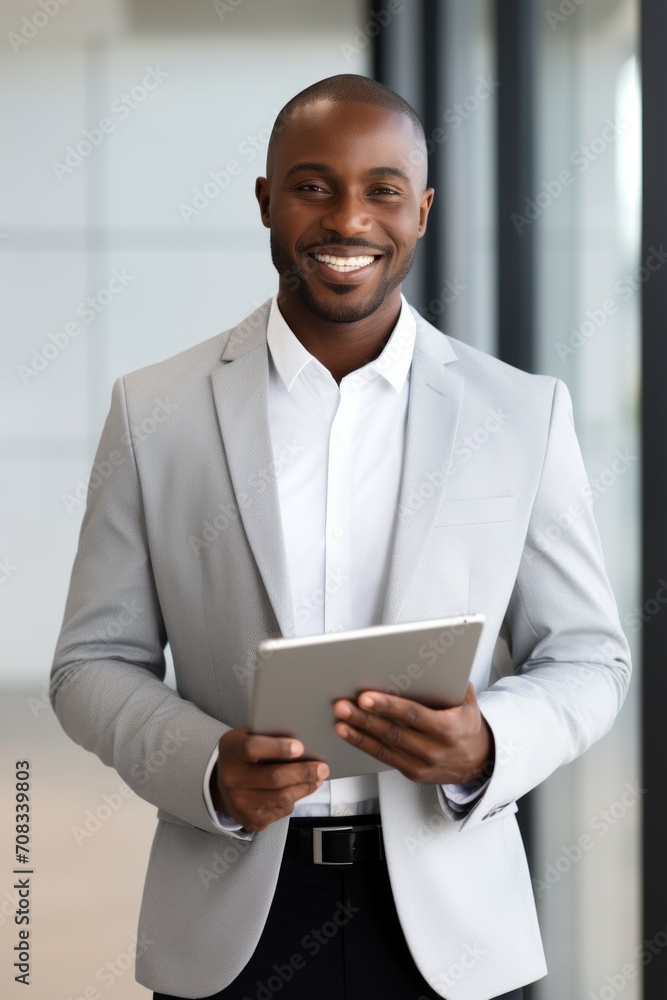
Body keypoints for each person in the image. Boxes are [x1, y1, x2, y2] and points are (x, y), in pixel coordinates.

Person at [50, 74, 631, 1000]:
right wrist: (204, 766)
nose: (347, 218)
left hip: (455, 928)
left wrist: (489, 744)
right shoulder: (154, 412)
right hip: (231, 922)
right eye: (313, 185)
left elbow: (591, 658)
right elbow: (89, 666)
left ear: (423, 210)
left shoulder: (520, 413)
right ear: (266, 201)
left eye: (382, 190)